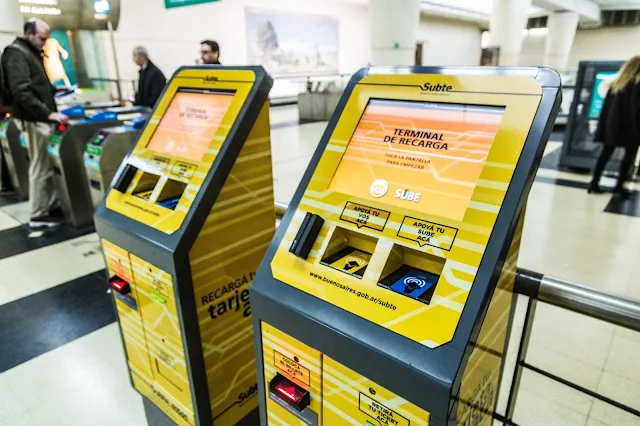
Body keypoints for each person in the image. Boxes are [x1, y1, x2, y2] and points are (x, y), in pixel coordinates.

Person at [1, 19, 68, 228]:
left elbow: (37, 85)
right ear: (28, 33)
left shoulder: (30, 51)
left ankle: (51, 205)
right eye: (41, 38)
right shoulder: (16, 53)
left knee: (46, 164)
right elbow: (21, 90)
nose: (44, 43)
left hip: (39, 117)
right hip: (33, 118)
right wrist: (48, 113)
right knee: (40, 165)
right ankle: (38, 213)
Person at [589, 56, 640, 199]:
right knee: (629, 156)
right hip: (631, 128)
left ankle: (594, 183)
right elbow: (636, 110)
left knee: (605, 154)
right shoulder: (637, 85)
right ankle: (620, 185)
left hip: (612, 126)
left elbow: (606, 108)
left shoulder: (616, 84)